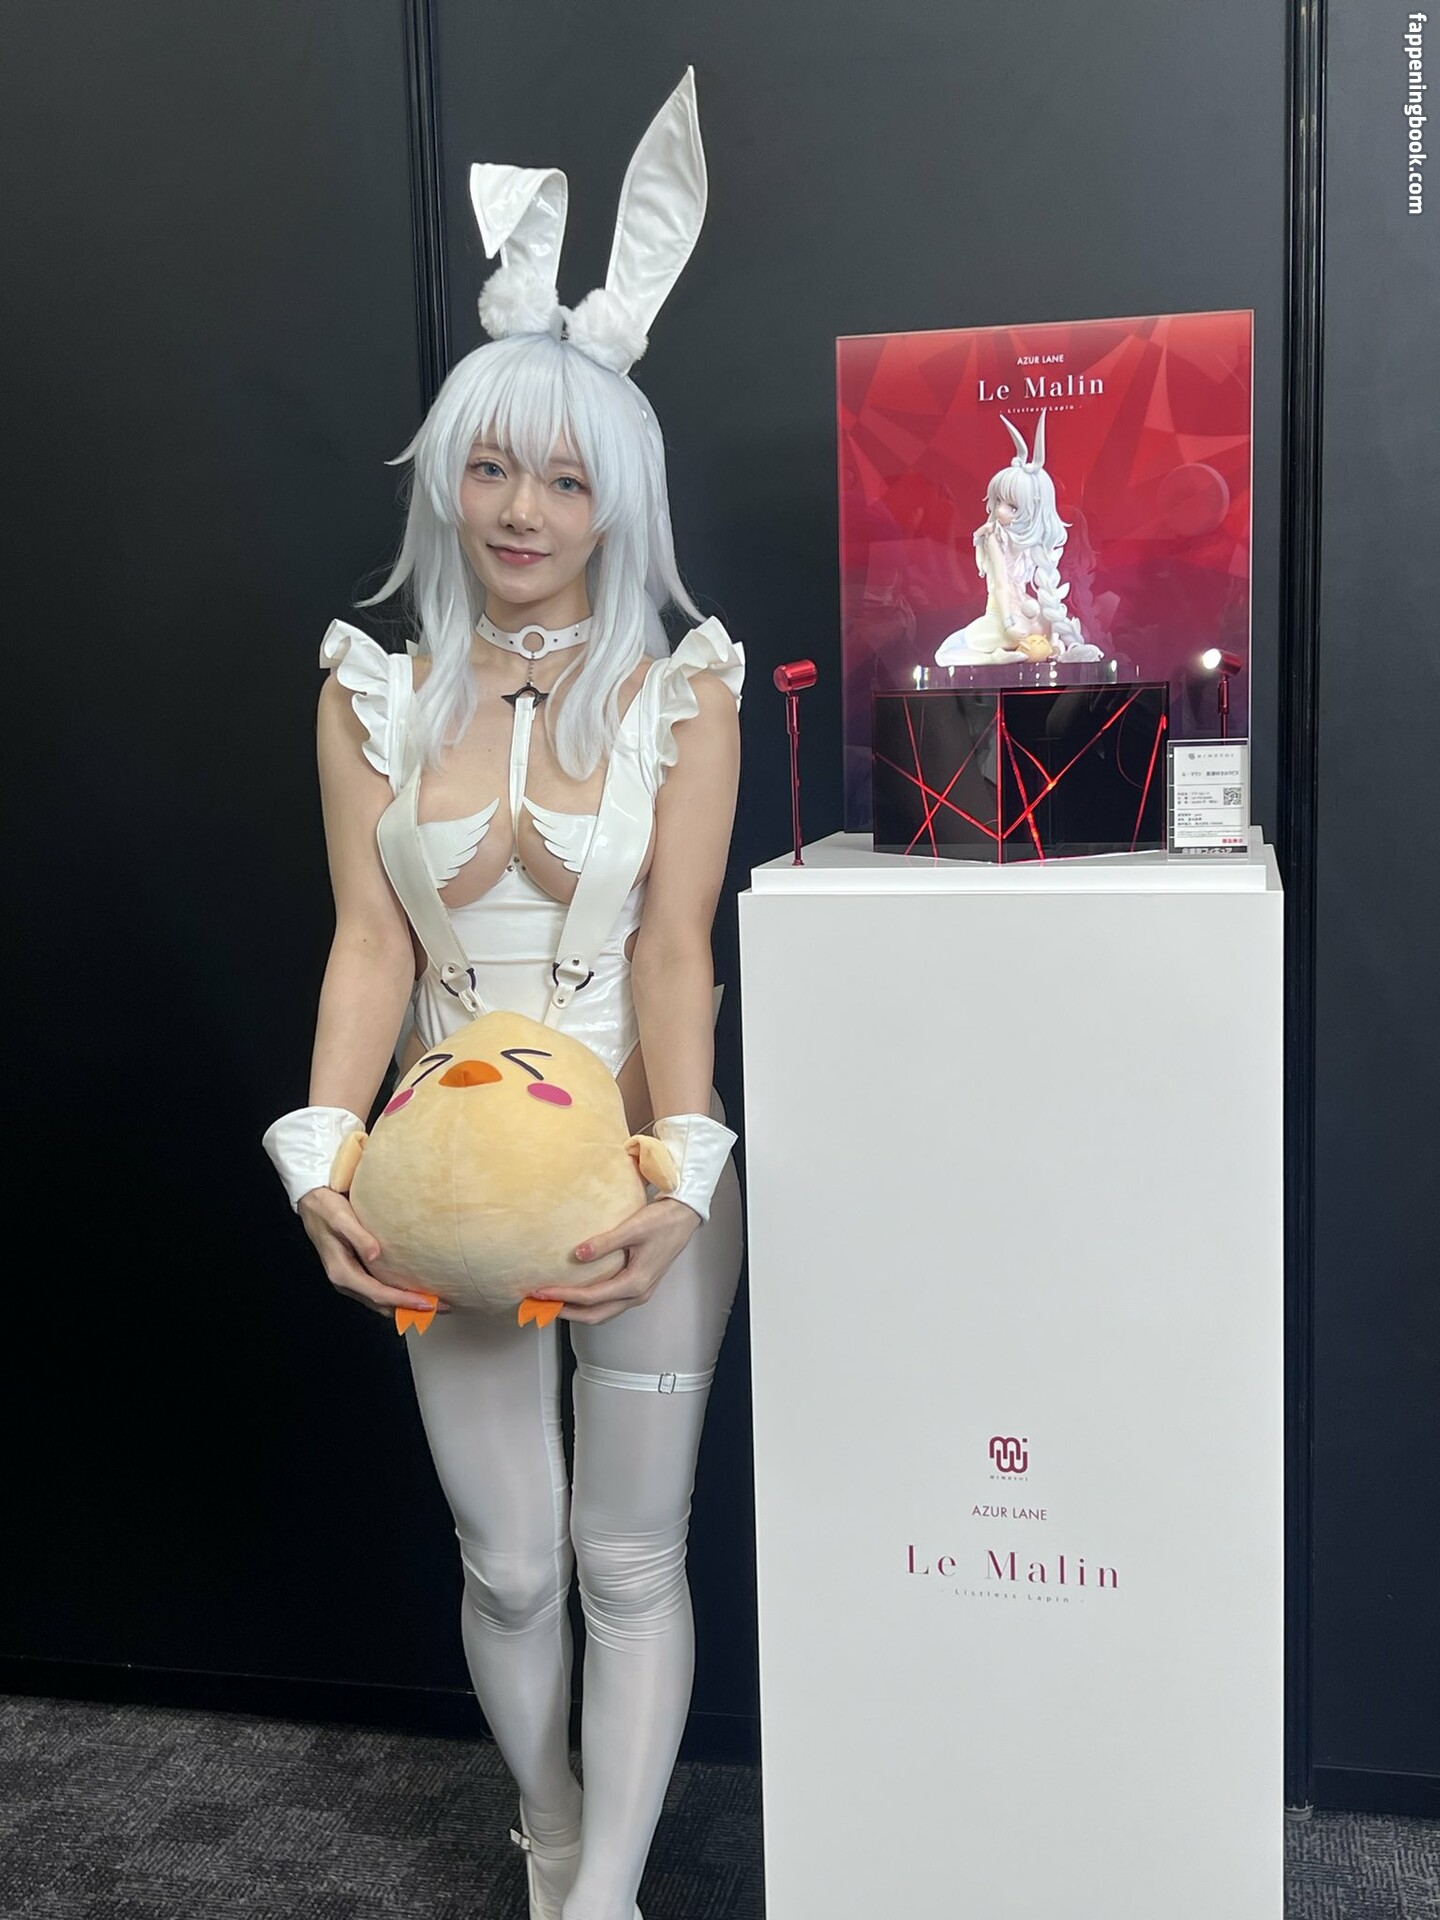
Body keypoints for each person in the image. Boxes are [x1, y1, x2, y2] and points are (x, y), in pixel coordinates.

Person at [262, 70, 743, 1920]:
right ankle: (546, 1822)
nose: (522, 508)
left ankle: (598, 1897)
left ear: (619, 497)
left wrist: (682, 1172)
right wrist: (321, 1163)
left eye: (565, 476)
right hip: (443, 1175)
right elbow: (367, 946)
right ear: (447, 472)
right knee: (516, 1566)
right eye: (491, 466)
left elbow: (674, 949)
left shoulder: (684, 691)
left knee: (630, 1559)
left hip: (644, 1171)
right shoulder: (369, 691)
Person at [934, 411, 1102, 665]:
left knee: (946, 654)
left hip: (1009, 618)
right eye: (998, 501)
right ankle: (1032, 652)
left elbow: (1003, 584)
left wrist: (1008, 623)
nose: (1000, 510)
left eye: (1012, 506)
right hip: (1025, 617)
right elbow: (1008, 584)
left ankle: (1000, 657)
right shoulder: (1002, 537)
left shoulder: (1001, 538)